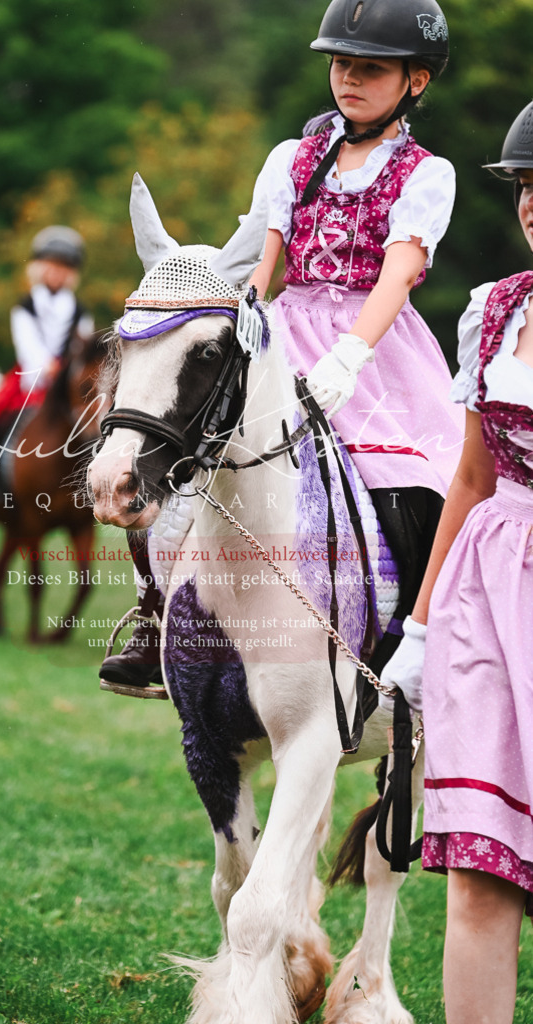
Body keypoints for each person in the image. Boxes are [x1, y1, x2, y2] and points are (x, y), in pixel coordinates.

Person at [99, 0, 464, 690]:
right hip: (284, 330)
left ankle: (409, 651)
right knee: (180, 458)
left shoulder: (424, 174)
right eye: (340, 64)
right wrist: (245, 326)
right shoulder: (290, 158)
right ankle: (159, 618)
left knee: (414, 485)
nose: (349, 78)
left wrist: (351, 356)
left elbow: (399, 275)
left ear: (416, 81)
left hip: (377, 350)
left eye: (371, 69)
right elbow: (264, 267)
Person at [380, 99, 533, 1024]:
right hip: (487, 580)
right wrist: (421, 626)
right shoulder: (497, 312)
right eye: (525, 187)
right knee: (478, 872)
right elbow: (471, 478)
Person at [0, 226, 94, 491]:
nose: (57, 272)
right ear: (40, 267)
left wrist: (69, 371)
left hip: (66, 382)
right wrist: (48, 366)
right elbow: (27, 345)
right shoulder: (25, 307)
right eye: (52, 265)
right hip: (31, 376)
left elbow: (84, 347)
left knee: (91, 420)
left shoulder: (80, 312)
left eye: (64, 267)